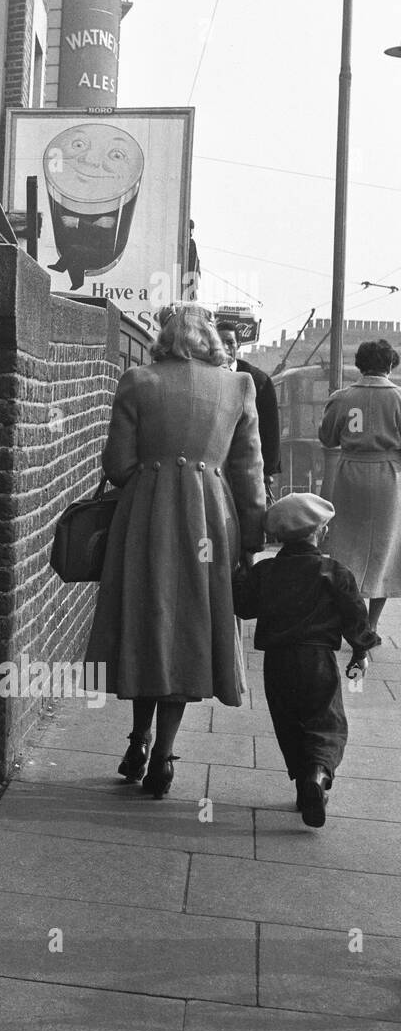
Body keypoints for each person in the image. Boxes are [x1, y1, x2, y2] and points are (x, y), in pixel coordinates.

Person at [84, 303, 265, 797]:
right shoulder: (238, 387)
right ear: (212, 341)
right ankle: (164, 752)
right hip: (210, 518)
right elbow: (248, 472)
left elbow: (118, 464)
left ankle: (138, 739)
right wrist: (252, 536)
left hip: (146, 516)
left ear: (163, 339)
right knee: (188, 627)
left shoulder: (138, 381)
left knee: (148, 620)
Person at [232, 493, 379, 828]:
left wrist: (244, 567)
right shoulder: (334, 572)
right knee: (327, 724)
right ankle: (317, 774)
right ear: (321, 533)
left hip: (277, 664)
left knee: (290, 725)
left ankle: (305, 787)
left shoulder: (267, 571)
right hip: (317, 660)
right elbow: (356, 617)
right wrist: (361, 651)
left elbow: (244, 606)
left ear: (281, 536)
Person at [318, 338, 401, 632]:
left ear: (359, 365)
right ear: (390, 365)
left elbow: (328, 438)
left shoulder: (342, 397)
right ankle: (372, 624)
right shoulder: (399, 397)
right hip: (389, 479)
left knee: (347, 548)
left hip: (350, 474)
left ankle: (347, 619)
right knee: (385, 552)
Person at [217, 319, 281, 497]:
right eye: (219, 342)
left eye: (229, 342)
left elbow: (270, 427)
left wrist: (269, 470)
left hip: (249, 462)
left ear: (237, 345)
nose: (225, 347)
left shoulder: (259, 380)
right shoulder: (206, 376)